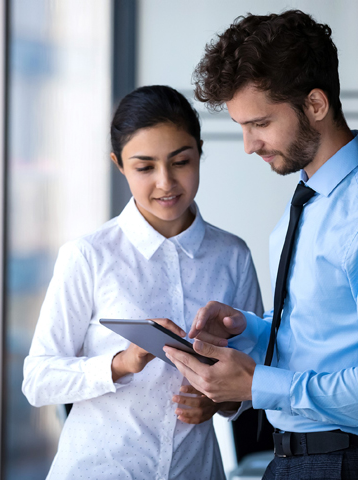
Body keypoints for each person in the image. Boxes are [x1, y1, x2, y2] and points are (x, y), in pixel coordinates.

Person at [164, 10, 358, 480]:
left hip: (351, 466)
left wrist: (258, 384)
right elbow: (325, 336)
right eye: (242, 126)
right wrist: (247, 330)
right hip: (302, 461)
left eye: (261, 123)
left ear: (315, 104)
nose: (249, 145)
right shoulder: (313, 203)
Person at [22, 85, 264, 480]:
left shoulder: (232, 256)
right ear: (120, 165)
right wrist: (122, 363)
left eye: (181, 161)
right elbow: (38, 380)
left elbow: (254, 373)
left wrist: (219, 402)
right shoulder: (89, 256)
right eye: (145, 167)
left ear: (200, 152)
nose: (166, 182)